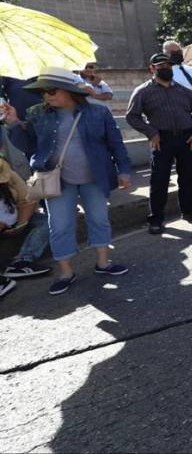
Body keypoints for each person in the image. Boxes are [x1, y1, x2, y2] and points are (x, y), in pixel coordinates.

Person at [3, 67, 132, 295]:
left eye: (51, 90)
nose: (47, 96)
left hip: (95, 177)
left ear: (69, 90)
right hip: (56, 181)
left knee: (99, 219)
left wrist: (124, 170)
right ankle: (66, 273)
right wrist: (13, 123)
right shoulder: (37, 113)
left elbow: (116, 144)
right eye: (43, 92)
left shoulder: (98, 113)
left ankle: (103, 264)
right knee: (59, 226)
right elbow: (28, 145)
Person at [126, 53, 192, 235]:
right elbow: (132, 116)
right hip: (161, 140)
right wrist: (151, 132)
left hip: (186, 139)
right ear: (152, 69)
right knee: (159, 180)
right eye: (161, 66)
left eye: (168, 66)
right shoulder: (143, 92)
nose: (166, 69)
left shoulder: (184, 91)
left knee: (187, 177)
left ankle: (189, 211)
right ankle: (156, 219)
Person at [0, 156, 51, 297]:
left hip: (16, 218)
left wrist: (21, 223)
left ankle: (22, 262)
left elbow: (27, 199)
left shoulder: (7, 172)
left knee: (47, 222)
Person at [163, 40, 192, 110]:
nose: (177, 54)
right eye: (173, 52)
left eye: (179, 52)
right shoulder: (167, 73)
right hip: (185, 110)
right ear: (165, 54)